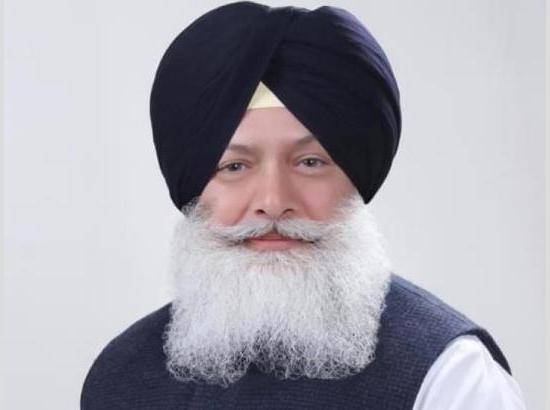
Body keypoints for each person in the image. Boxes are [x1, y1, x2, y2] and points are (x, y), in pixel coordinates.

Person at [81, 2, 527, 409]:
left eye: (311, 162)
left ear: (354, 176)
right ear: (195, 186)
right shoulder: (120, 376)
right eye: (234, 166)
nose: (274, 202)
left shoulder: (449, 377)